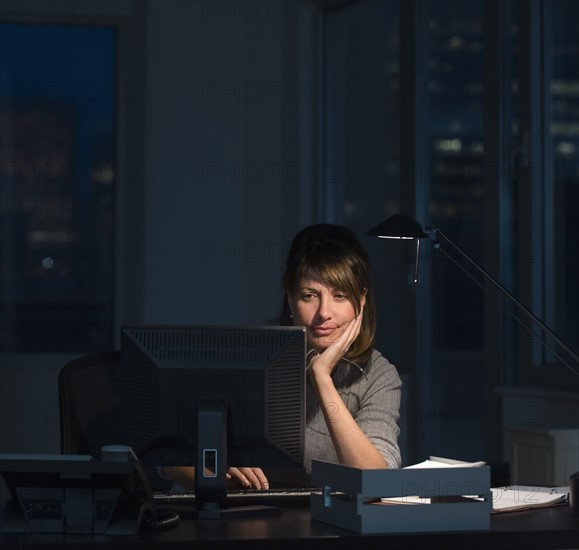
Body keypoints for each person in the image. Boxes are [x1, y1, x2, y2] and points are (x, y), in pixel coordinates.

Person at [164, 223, 402, 490]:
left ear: (361, 301)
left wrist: (321, 377)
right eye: (309, 295)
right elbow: (169, 459)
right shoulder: (247, 352)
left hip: (323, 523)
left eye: (340, 296)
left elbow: (374, 482)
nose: (324, 312)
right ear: (290, 298)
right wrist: (219, 476)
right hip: (233, 516)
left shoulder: (378, 376)